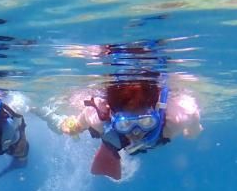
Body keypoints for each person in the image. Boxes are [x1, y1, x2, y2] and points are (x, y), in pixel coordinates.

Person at [40, 72, 202, 181]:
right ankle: (46, 114)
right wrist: (73, 126)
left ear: (158, 113)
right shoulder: (97, 118)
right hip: (111, 137)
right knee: (69, 128)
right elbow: (80, 122)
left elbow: (193, 117)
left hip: (120, 135)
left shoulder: (178, 117)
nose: (136, 133)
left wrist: (193, 130)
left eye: (146, 122)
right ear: (111, 114)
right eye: (125, 124)